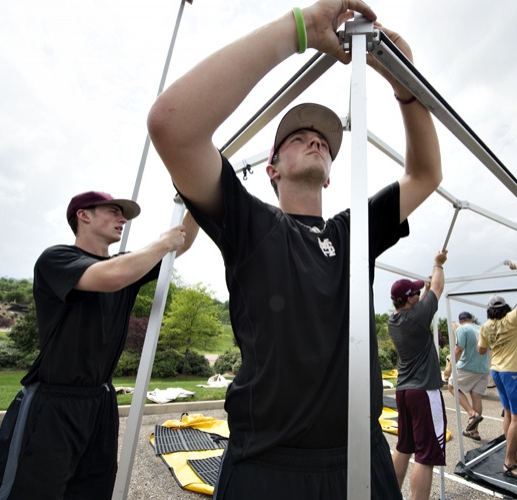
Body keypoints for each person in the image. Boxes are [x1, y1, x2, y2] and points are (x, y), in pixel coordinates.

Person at [147, 1, 443, 497]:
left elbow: (425, 175)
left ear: (330, 172)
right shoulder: (251, 223)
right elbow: (172, 125)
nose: (314, 141)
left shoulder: (352, 232)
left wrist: (405, 82)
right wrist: (300, 27)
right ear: (272, 169)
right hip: (268, 466)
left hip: (359, 458)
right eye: (297, 137)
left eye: (323, 140)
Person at [0, 191, 198, 500]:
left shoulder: (127, 267)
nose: (123, 219)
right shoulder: (57, 259)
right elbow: (112, 276)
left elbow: (184, 242)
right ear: (83, 215)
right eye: (113, 211)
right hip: (54, 403)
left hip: (100, 403)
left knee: (90, 491)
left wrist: (196, 198)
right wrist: (163, 242)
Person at [387, 251, 448, 500]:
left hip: (403, 391)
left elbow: (421, 305)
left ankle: (389, 494)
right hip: (423, 391)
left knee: (403, 448)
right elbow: (439, 287)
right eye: (414, 293)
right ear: (410, 300)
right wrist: (438, 264)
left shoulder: (395, 320)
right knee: (426, 455)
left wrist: (422, 292)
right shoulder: (418, 317)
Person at [477, 262, 517, 483]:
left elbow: (481, 350)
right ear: (506, 309)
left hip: (498, 372)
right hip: (514, 372)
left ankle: (511, 454)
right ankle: (510, 461)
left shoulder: (485, 327)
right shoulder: (512, 319)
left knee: (509, 414)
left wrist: (495, 342)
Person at [448, 311, 490, 441]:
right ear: (472, 319)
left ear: (460, 321)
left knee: (451, 386)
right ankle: (474, 431)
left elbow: (459, 349)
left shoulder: (462, 329)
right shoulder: (483, 329)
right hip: (483, 368)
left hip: (467, 367)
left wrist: (449, 368)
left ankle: (472, 414)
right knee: (476, 396)